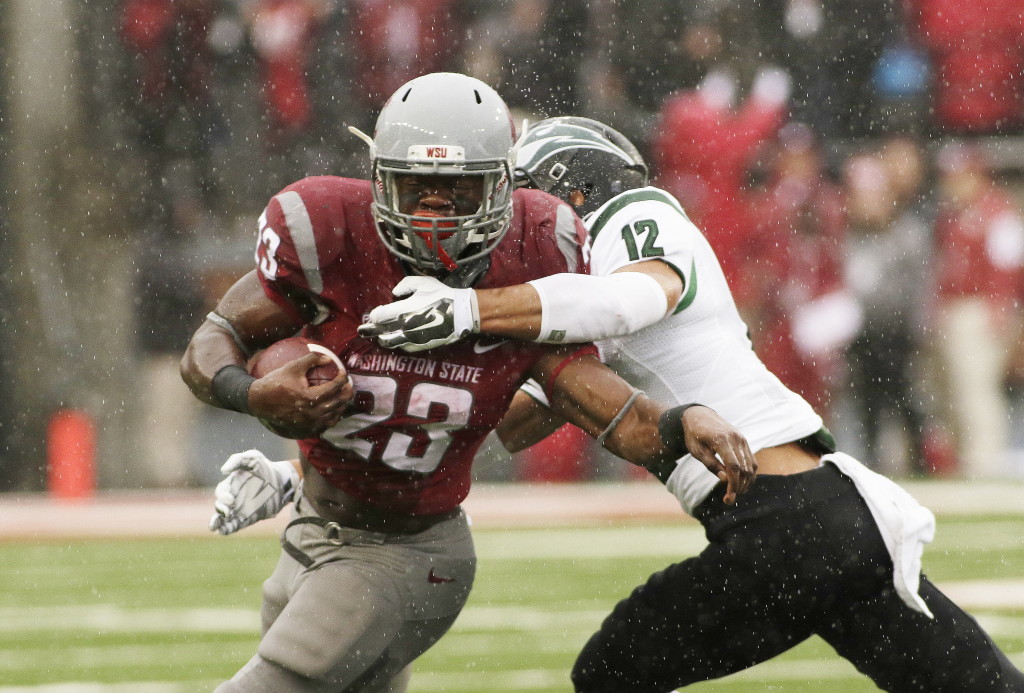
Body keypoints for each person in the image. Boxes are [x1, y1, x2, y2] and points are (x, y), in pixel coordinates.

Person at [358, 116, 1024, 691]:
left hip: (783, 519)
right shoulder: (579, 296)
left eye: (523, 204)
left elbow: (631, 299)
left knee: (613, 669)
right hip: (828, 521)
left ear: (570, 191)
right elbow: (515, 420)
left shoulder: (634, 217)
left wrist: (472, 308)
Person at [181, 74, 757, 693]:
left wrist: (682, 420)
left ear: (504, 185)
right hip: (309, 531)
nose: (431, 212)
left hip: (410, 555)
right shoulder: (327, 233)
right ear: (377, 179)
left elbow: (604, 410)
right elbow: (212, 343)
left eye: (457, 191)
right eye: (414, 187)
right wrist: (252, 396)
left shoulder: (536, 256)